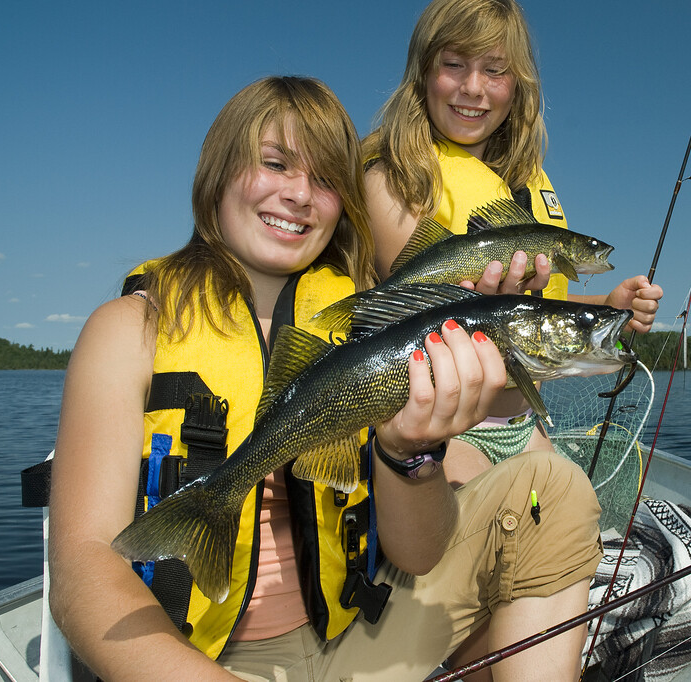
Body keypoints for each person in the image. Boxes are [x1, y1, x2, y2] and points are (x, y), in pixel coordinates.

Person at [47, 76, 602, 681]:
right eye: (274, 164)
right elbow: (82, 567)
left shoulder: (373, 326)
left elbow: (417, 554)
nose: (298, 195)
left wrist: (410, 454)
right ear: (216, 175)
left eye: (326, 179)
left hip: (358, 630)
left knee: (550, 486)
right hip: (208, 663)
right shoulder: (129, 330)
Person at [363, 0, 665, 487]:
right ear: (422, 74)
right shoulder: (393, 176)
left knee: (565, 530)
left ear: (518, 84)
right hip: (444, 425)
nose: (473, 88)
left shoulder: (521, 188)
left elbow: (534, 306)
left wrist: (605, 305)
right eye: (454, 63)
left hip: (522, 421)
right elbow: (412, 300)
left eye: (495, 70)